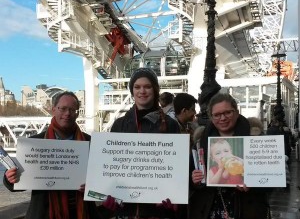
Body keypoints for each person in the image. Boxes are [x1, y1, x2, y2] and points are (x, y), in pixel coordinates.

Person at [3, 91, 101, 219]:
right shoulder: (34, 143)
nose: (67, 113)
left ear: (77, 113)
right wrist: (9, 178)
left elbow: (102, 183)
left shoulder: (92, 143)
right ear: (53, 109)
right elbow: (16, 183)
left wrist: (94, 187)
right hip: (44, 214)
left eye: (73, 110)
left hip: (83, 212)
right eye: (63, 108)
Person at [110, 67, 182, 219]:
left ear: (155, 90)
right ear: (132, 91)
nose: (142, 91)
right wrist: (108, 193)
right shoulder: (120, 124)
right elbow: (111, 164)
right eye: (137, 87)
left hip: (158, 210)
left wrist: (175, 195)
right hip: (126, 209)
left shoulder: (170, 125)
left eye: (147, 86)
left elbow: (178, 166)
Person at [189, 93, 271, 219]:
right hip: (209, 210)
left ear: (236, 112)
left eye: (228, 112)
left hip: (247, 209)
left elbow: (271, 180)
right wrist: (194, 180)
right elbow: (189, 179)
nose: (222, 118)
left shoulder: (255, 139)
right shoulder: (201, 142)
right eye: (217, 115)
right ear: (211, 117)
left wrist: (254, 184)